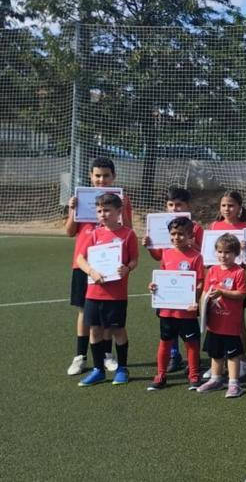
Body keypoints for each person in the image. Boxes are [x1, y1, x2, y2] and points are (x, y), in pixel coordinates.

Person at [65, 156, 133, 377]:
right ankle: (81, 356)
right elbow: (69, 231)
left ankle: (107, 356)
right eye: (97, 176)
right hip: (83, 264)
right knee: (86, 311)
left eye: (106, 176)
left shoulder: (122, 200)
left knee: (109, 313)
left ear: (114, 177)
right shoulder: (80, 198)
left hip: (111, 266)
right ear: (90, 177)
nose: (101, 179)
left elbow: (128, 229)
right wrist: (72, 210)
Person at [75, 192, 138, 387]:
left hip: (116, 293)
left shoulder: (128, 234)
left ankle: (122, 368)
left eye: (107, 210)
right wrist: (91, 271)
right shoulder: (94, 234)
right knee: (95, 330)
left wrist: (127, 268)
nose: (103, 214)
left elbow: (134, 260)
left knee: (117, 329)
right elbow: (80, 258)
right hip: (94, 292)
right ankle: (98, 370)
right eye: (99, 210)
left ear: (119, 211)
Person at [144, 186, 202, 374]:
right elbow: (161, 257)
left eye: (179, 204)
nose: (174, 208)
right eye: (170, 204)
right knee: (170, 325)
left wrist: (195, 244)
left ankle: (193, 365)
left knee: (189, 329)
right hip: (170, 291)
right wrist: (149, 246)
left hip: (189, 288)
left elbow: (204, 253)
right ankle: (174, 355)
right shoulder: (163, 226)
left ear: (187, 205)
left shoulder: (196, 228)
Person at [196, 233, 246, 398]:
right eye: (219, 252)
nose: (223, 256)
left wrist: (222, 292)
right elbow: (205, 292)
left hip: (230, 323)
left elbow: (241, 294)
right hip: (214, 322)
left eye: (227, 252)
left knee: (232, 354)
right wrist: (201, 305)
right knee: (215, 352)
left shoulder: (238, 272)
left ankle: (234, 383)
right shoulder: (212, 270)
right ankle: (216, 379)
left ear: (235, 254)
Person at [208, 191, 246, 379]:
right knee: (215, 322)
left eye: (231, 205)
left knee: (238, 323)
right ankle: (218, 363)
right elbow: (209, 256)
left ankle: (241, 360)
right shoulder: (214, 226)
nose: (227, 209)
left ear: (239, 208)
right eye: (224, 205)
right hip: (216, 280)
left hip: (235, 282)